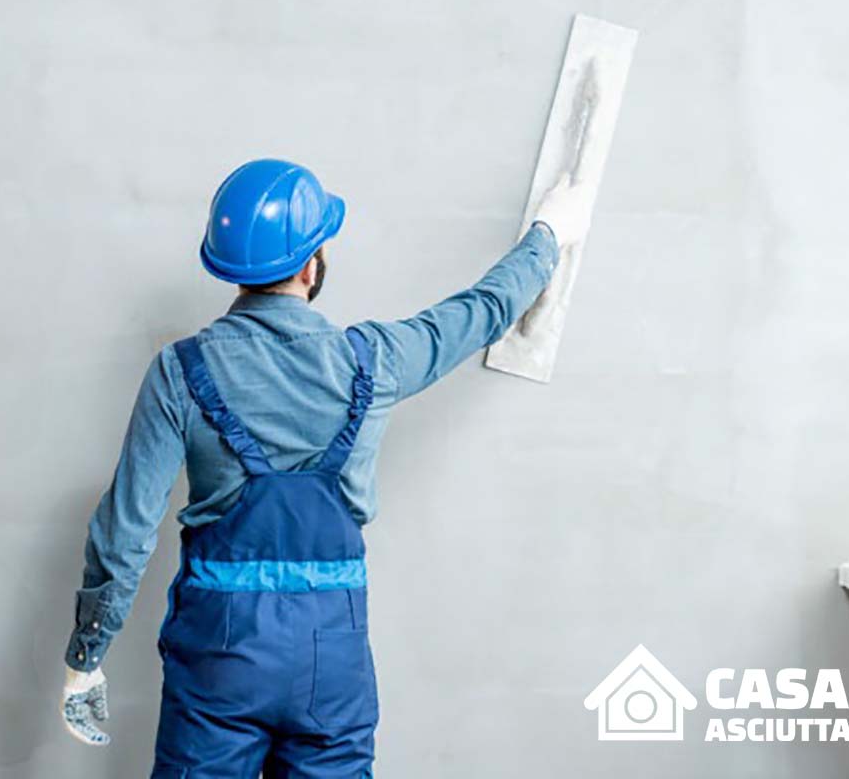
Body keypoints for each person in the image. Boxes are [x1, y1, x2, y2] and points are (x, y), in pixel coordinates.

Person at [60, 158, 590, 776]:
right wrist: (548, 235)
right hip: (331, 659)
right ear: (312, 265)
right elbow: (482, 311)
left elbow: (125, 532)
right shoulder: (376, 360)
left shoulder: (180, 372)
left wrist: (86, 654)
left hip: (220, 659)